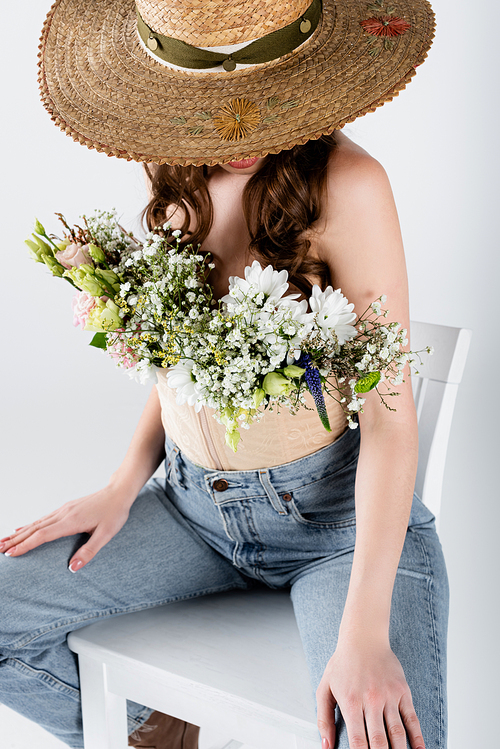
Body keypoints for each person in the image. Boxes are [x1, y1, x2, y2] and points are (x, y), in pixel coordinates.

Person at [0, 1, 447, 748]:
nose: (233, 129)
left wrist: (364, 630)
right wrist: (121, 483)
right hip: (189, 508)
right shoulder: (175, 168)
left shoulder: (353, 183)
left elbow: (393, 418)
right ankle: (167, 733)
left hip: (333, 524)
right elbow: (179, 355)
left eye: (257, 96)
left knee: (384, 735)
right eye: (201, 106)